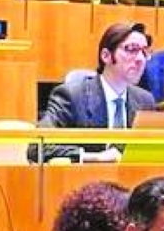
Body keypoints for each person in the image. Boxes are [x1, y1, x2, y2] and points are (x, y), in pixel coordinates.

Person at [30, 21, 156, 163]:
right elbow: (37, 147)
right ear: (106, 56)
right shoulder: (71, 96)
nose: (140, 59)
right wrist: (93, 157)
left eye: (144, 52)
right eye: (131, 49)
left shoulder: (145, 100)